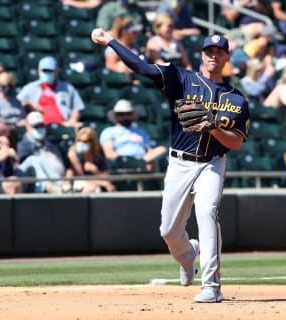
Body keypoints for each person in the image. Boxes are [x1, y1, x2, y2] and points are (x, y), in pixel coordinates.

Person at [91, 29, 249, 302]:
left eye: (219, 52)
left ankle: (211, 286)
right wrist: (111, 42)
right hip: (179, 163)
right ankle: (188, 255)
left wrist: (212, 128)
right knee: (168, 231)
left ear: (226, 57)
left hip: (212, 164)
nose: (213, 56)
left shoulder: (237, 100)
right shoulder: (181, 78)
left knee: (208, 214)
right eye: (209, 51)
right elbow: (140, 66)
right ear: (202, 55)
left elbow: (235, 143)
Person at [17, 56, 85, 128]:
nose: (47, 73)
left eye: (50, 71)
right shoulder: (30, 88)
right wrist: (30, 103)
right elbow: (17, 103)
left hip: (63, 125)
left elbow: (77, 107)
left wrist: (72, 121)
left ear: (56, 71)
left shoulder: (68, 88)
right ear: (39, 71)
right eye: (45, 71)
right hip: (39, 126)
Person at [99, 99, 167, 172]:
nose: (125, 117)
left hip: (142, 161)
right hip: (123, 162)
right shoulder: (109, 131)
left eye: (128, 114)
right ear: (116, 116)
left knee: (162, 149)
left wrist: (145, 161)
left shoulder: (141, 131)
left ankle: (140, 163)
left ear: (132, 115)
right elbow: (109, 153)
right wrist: (127, 160)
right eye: (121, 114)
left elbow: (149, 151)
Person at [16, 111, 72, 194]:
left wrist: (68, 182)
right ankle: (48, 186)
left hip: (63, 184)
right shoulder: (23, 145)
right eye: (35, 126)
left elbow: (68, 167)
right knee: (34, 159)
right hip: (37, 188)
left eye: (41, 125)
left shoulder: (54, 144)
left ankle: (61, 187)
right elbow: (25, 170)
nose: (39, 128)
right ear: (27, 127)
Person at [66, 126, 116, 193]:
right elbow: (81, 177)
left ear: (93, 142)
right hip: (79, 183)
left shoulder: (99, 154)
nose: (81, 143)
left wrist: (95, 171)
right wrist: (102, 183)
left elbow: (106, 177)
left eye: (85, 141)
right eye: (79, 141)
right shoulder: (73, 154)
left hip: (97, 183)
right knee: (91, 188)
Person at [0, 72, 27, 148]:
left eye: (10, 86)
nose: (7, 89)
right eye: (4, 86)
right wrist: (13, 123)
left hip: (20, 130)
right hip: (3, 131)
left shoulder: (17, 101)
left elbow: (23, 117)